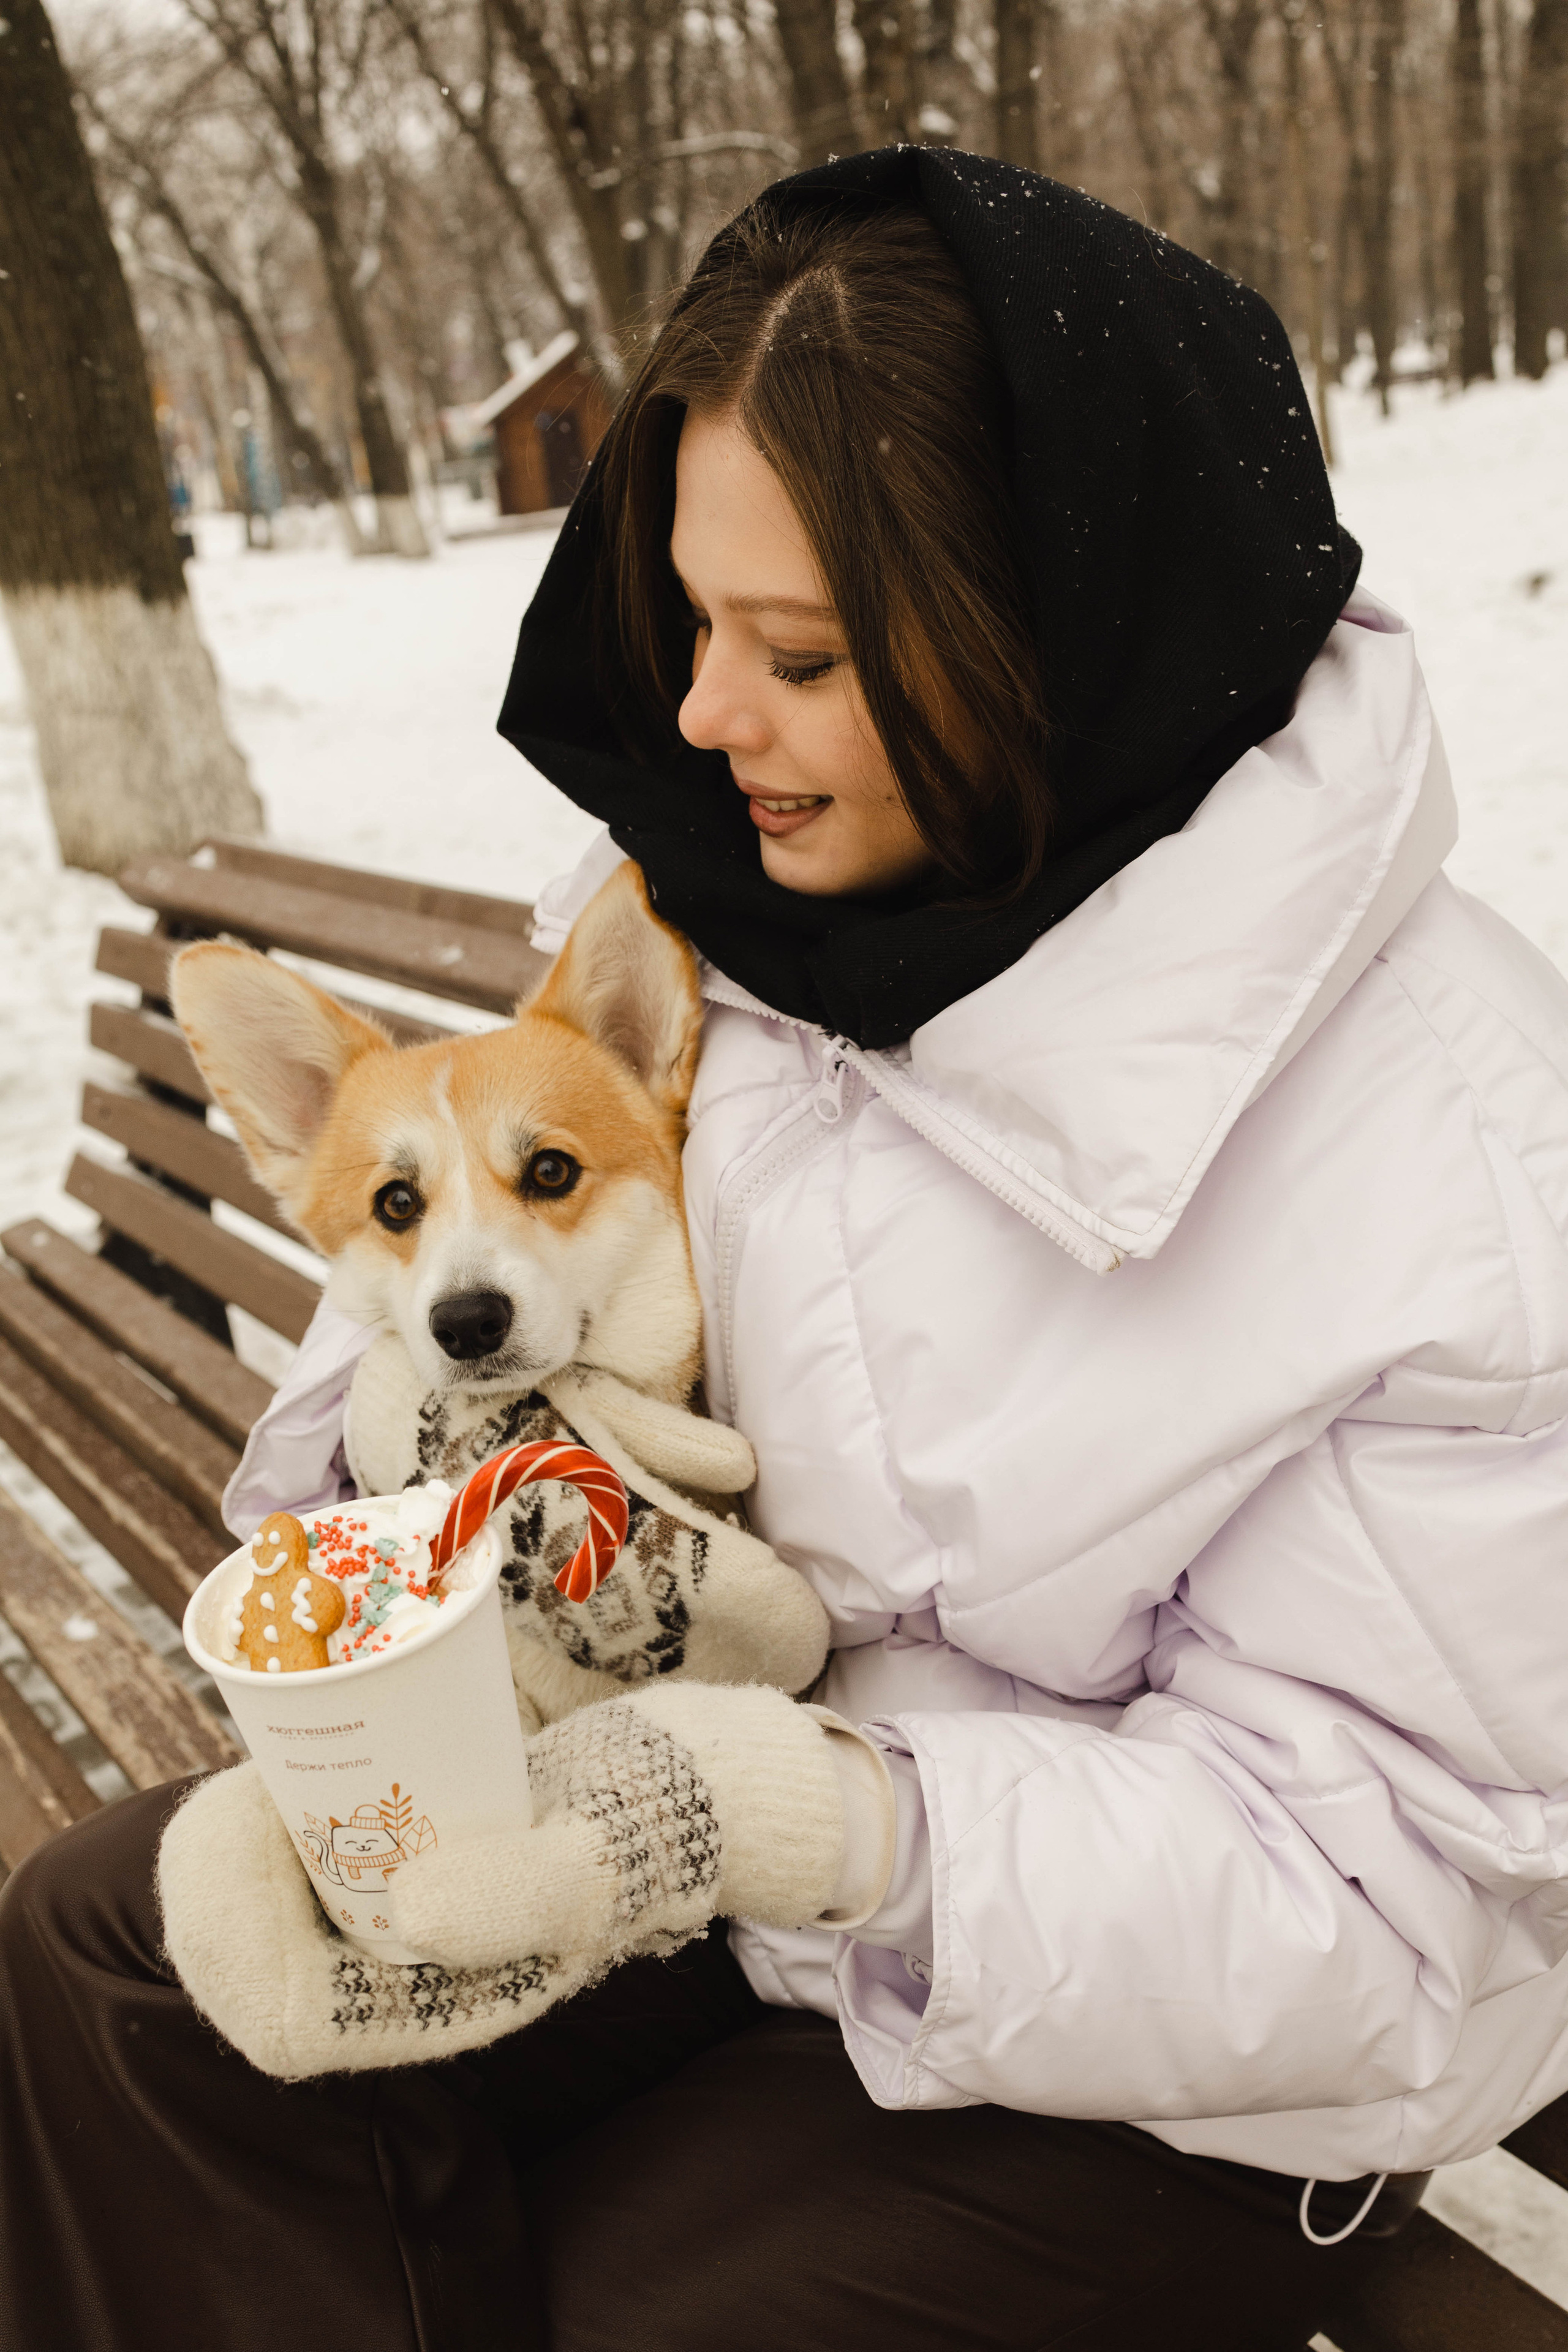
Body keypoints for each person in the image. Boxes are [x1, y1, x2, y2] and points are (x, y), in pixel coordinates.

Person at [4, 145, 1567, 2352]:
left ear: (1046, 631)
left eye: (801, 652)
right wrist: (401, 1470)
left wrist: (811, 1823)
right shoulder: (735, 893)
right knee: (113, 1954)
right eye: (694, 623)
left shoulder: (1449, 1149)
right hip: (700, 1860)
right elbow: (436, 1261)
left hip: (1143, 2063)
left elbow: (1390, 1901)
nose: (709, 721)